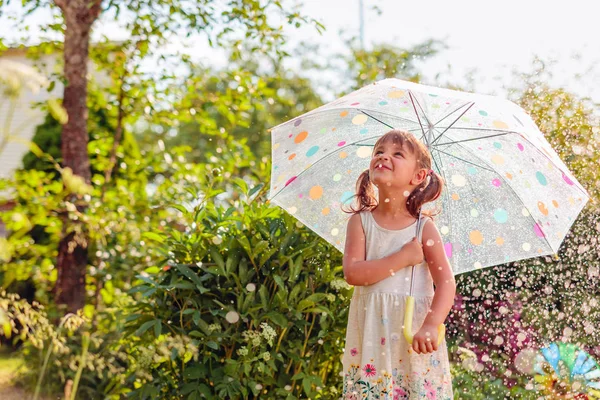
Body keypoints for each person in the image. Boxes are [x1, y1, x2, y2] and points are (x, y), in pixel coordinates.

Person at [340, 129, 456, 399]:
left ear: (418, 177)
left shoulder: (424, 229)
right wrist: (402, 258)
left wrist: (430, 324)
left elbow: (447, 283)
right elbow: (354, 274)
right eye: (379, 151)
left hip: (412, 334)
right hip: (372, 334)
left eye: (397, 154)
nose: (384, 157)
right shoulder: (360, 222)